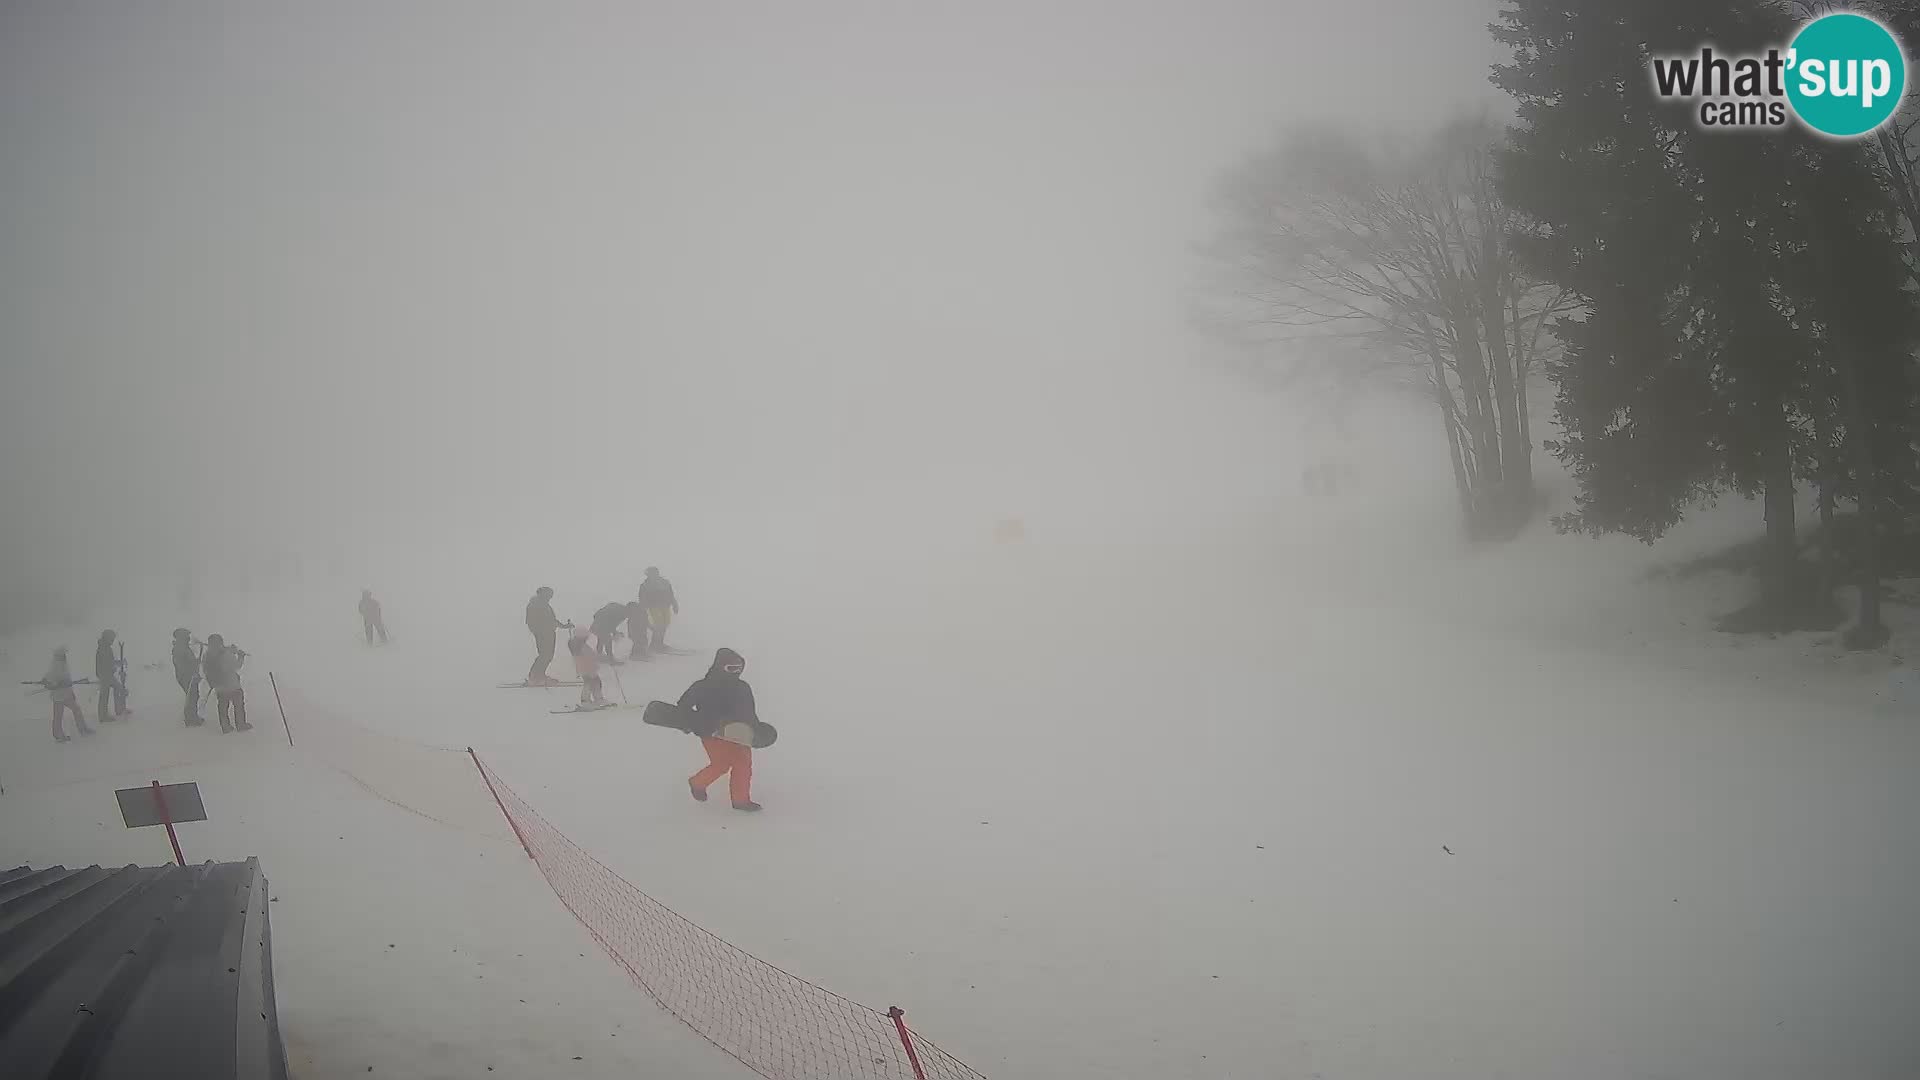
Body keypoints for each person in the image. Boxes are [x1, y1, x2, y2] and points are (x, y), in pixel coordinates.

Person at [678, 647, 761, 812]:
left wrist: (755, 729)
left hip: (739, 732)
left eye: (739, 668)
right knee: (721, 764)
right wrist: (687, 722)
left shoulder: (743, 687)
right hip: (712, 732)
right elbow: (683, 706)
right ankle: (697, 783)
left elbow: (750, 711)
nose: (736, 672)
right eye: (731, 668)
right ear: (719, 666)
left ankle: (741, 800)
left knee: (743, 763)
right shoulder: (702, 687)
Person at [34, 646, 94, 742]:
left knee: (76, 710)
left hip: (66, 694)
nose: (65, 657)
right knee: (59, 715)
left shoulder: (64, 665)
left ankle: (82, 729)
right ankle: (59, 734)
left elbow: (67, 680)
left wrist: (70, 692)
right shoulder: (55, 666)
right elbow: (48, 679)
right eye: (63, 655)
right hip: (59, 696)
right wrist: (51, 683)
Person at [203, 633, 252, 733]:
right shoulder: (226, 655)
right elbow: (236, 666)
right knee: (238, 705)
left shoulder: (207, 655)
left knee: (222, 707)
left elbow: (205, 670)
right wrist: (240, 656)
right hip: (232, 685)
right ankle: (241, 724)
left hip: (219, 686)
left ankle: (225, 726)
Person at [525, 587, 573, 685]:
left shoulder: (544, 605)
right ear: (542, 594)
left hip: (548, 632)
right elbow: (531, 621)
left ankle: (539, 675)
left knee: (548, 655)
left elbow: (552, 620)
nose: (550, 597)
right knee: (544, 655)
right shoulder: (535, 604)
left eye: (551, 595)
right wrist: (539, 631)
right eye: (549, 594)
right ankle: (535, 676)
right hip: (542, 633)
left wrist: (564, 626)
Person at [636, 567, 679, 654]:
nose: (652, 575)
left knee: (665, 624)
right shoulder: (645, 585)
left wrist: (674, 604)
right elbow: (642, 598)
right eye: (650, 574)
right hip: (654, 607)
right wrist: (642, 609)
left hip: (665, 606)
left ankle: (659, 643)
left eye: (654, 573)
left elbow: (670, 594)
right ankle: (654, 645)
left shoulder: (665, 582)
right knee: (658, 625)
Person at [567, 625, 609, 707]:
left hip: (586, 668)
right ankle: (587, 700)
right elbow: (591, 656)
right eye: (586, 636)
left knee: (594, 682)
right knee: (590, 683)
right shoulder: (581, 647)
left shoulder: (578, 646)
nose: (587, 638)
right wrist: (602, 658)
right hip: (587, 668)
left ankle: (597, 698)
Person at [93, 629, 130, 723]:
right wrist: (118, 664)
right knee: (106, 694)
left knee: (117, 689)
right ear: (107, 638)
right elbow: (107, 663)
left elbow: (109, 662)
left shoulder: (106, 647)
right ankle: (103, 715)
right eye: (112, 638)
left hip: (107, 674)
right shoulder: (103, 648)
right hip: (105, 674)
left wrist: (117, 663)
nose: (113, 640)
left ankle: (118, 709)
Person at [172, 628, 204, 726]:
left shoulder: (183, 647)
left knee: (194, 696)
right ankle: (190, 719)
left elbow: (189, 661)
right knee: (191, 696)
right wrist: (193, 665)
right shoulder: (179, 649)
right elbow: (182, 664)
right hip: (186, 676)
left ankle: (193, 716)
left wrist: (195, 662)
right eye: (187, 636)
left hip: (189, 675)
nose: (189, 638)